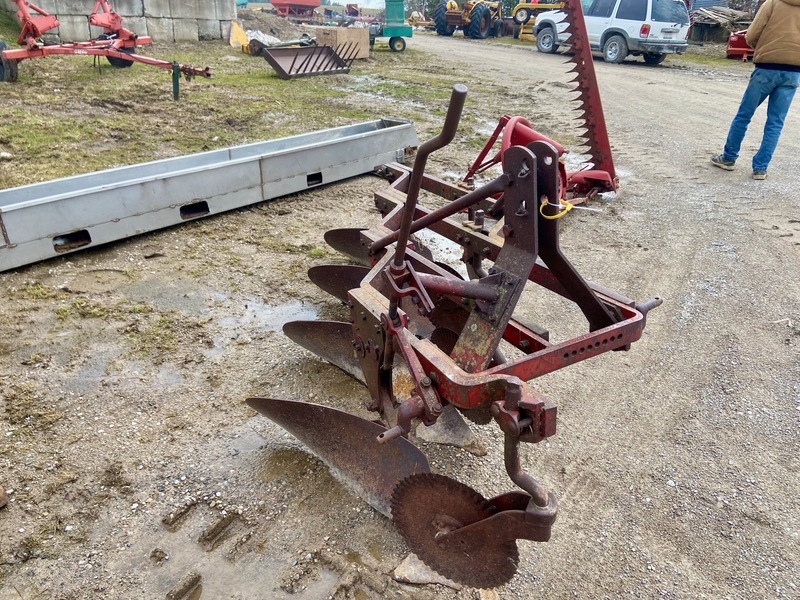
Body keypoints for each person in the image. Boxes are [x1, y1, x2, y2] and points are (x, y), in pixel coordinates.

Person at [711, 0, 800, 180]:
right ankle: (760, 168)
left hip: (766, 68)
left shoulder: (773, 3)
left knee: (744, 114)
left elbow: (751, 34)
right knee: (775, 122)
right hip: (793, 72)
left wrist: (761, 49)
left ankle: (728, 158)